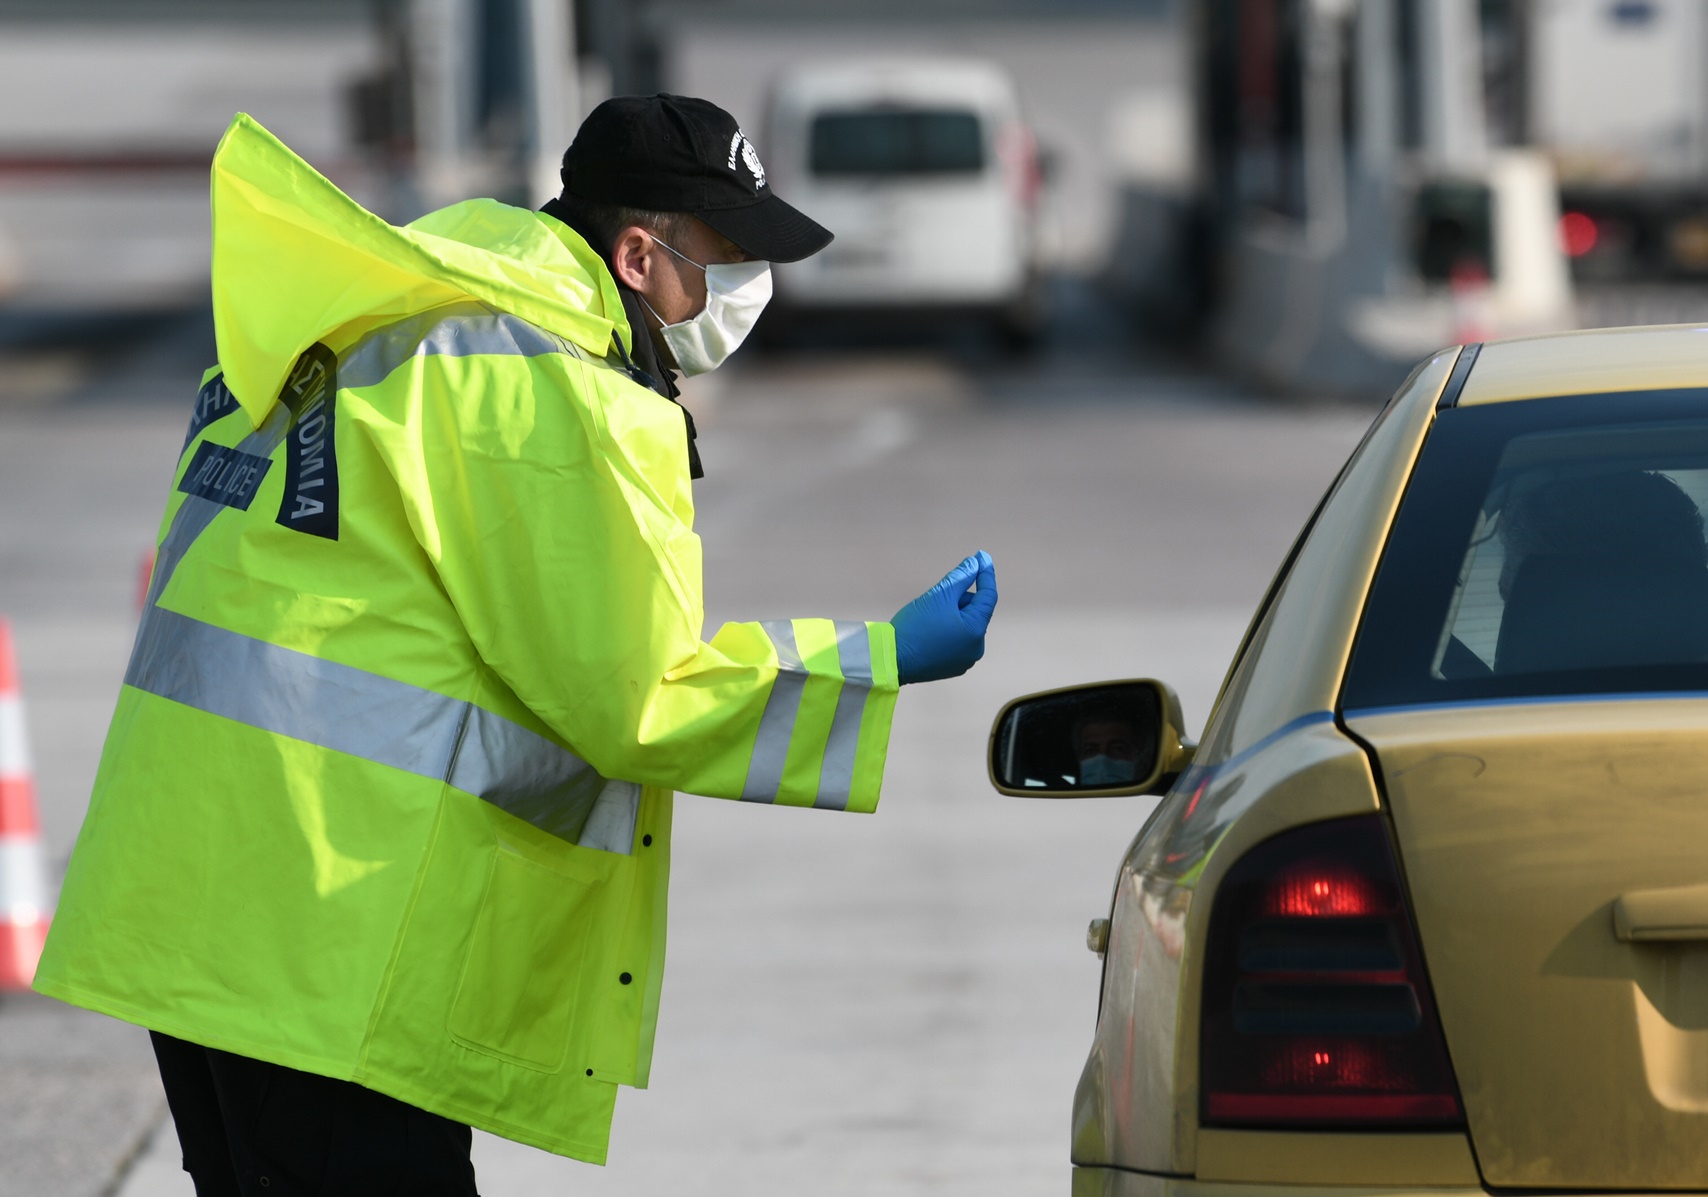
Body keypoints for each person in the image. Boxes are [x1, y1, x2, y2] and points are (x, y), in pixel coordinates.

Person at [33, 94, 998, 1195]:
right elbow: (639, 696)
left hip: (194, 897)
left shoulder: (374, 309)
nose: (745, 288)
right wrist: (879, 657)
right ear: (639, 254)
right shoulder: (547, 387)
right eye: (728, 256)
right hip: (325, 925)